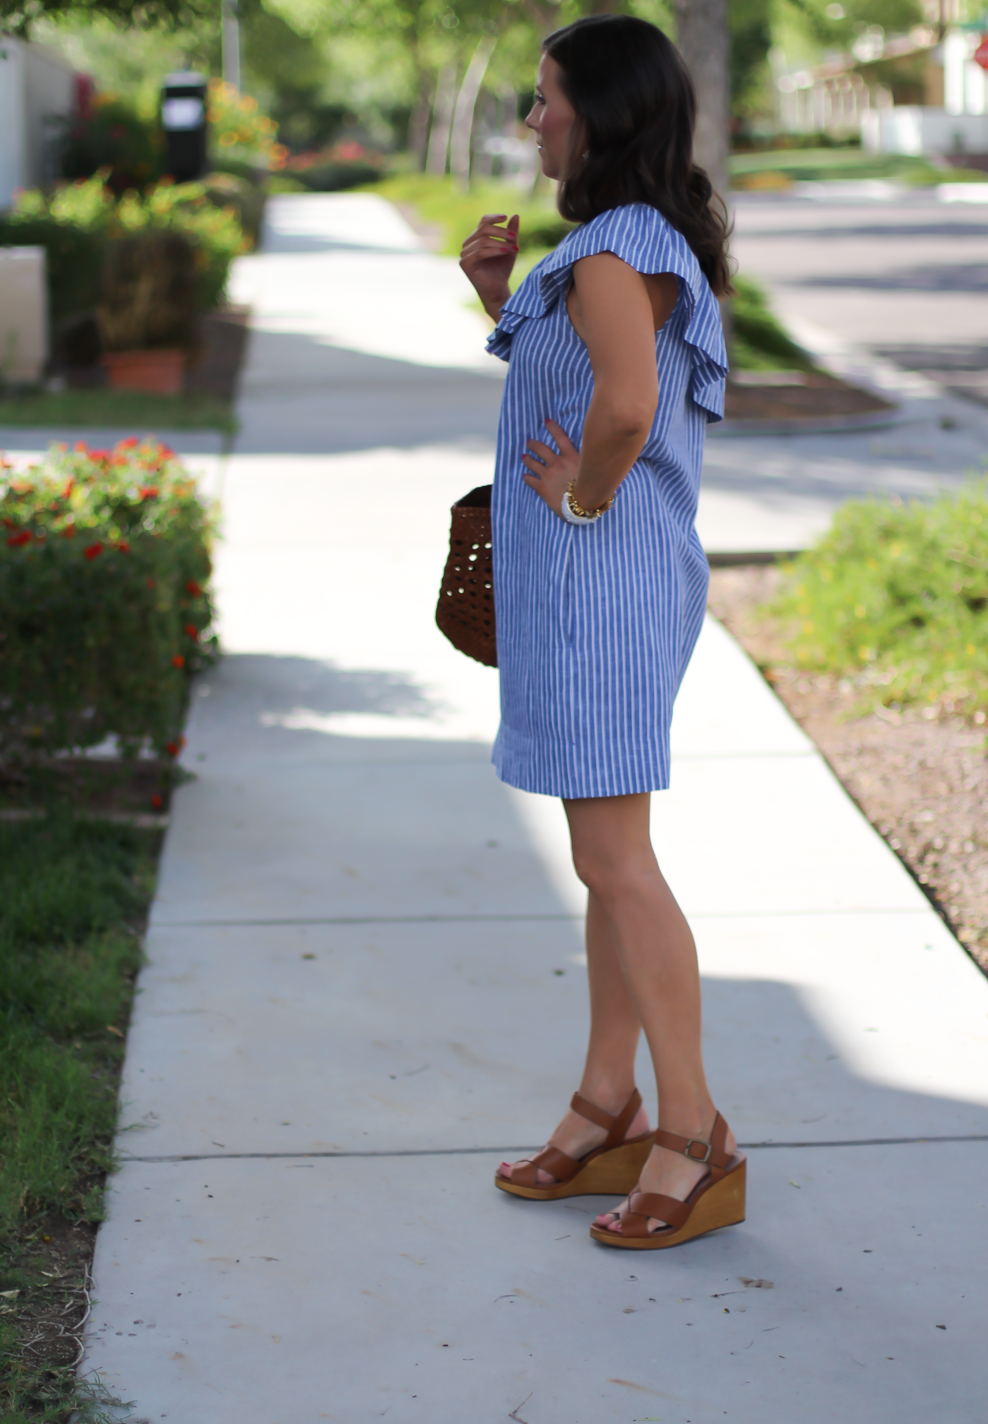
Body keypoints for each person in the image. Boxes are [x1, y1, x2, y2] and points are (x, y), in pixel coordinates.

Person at [458, 14, 744, 1250]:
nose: (535, 120)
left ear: (601, 113)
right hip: (606, 586)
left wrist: (580, 491)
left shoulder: (614, 251)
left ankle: (691, 1132)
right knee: (603, 857)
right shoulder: (629, 243)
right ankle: (605, 1098)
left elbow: (625, 407)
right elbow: (595, 385)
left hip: (599, 585)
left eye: (546, 98)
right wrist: (492, 294)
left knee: (619, 866)